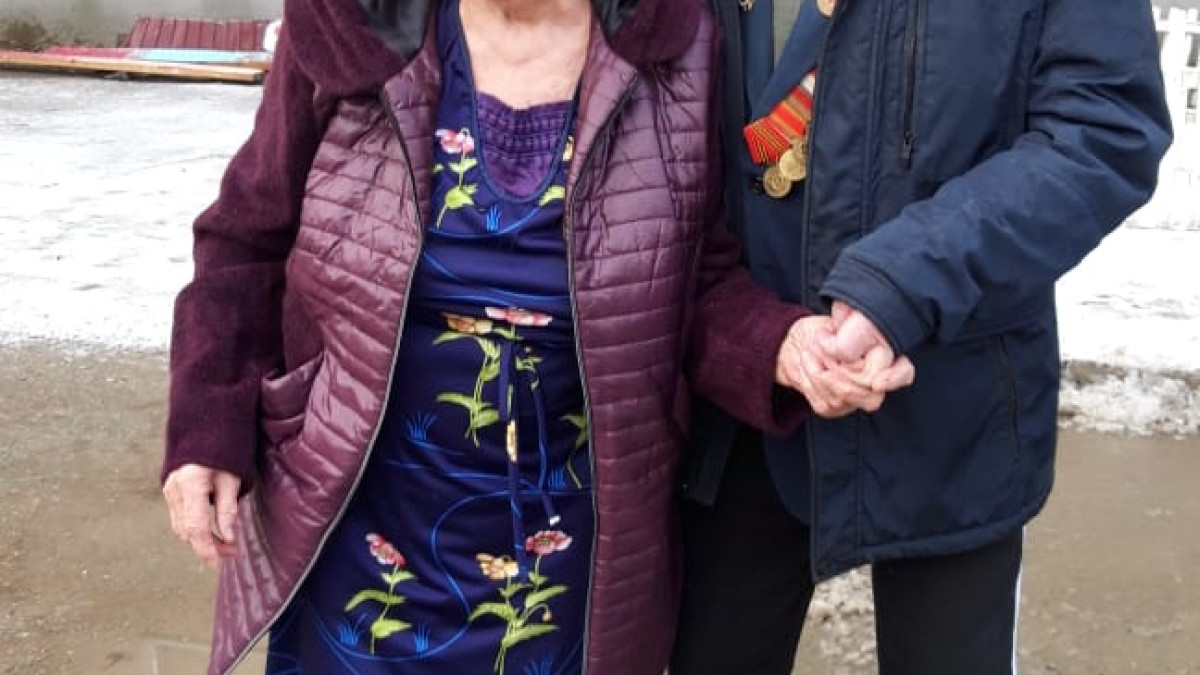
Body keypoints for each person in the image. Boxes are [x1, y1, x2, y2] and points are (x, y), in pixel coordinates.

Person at [159, 0, 914, 673]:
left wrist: (785, 347)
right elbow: (244, 238)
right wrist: (205, 427)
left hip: (567, 557)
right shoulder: (350, 25)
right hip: (361, 526)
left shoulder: (676, 47)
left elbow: (698, 280)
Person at [671, 0, 1173, 673]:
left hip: (955, 404)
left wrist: (904, 280)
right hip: (744, 401)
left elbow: (1103, 129)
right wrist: (756, 336)